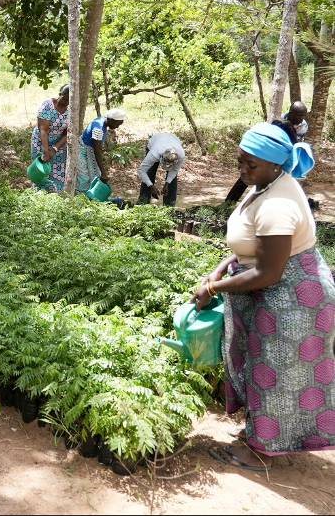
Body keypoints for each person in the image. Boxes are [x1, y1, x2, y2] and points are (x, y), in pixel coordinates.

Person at [191, 122, 334, 471]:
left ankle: (261, 451)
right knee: (260, 366)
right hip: (274, 295)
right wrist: (223, 266)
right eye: (240, 161)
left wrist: (211, 288)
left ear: (274, 164)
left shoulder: (277, 205)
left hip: (293, 301)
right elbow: (249, 245)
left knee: (275, 374)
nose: (242, 170)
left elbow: (269, 272)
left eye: (250, 165)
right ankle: (260, 432)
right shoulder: (264, 184)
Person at [224, 102, 309, 202]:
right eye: (299, 116)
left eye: (303, 116)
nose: (301, 118)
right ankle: (229, 202)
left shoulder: (303, 126)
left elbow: (293, 143)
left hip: (284, 154)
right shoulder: (279, 121)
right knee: (248, 173)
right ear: (290, 113)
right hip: (267, 151)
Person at [75, 108, 127, 194]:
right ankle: (80, 199)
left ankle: (90, 198)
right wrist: (104, 173)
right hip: (81, 149)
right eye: (117, 124)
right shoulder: (98, 128)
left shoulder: (103, 119)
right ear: (111, 120)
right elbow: (97, 151)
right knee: (83, 177)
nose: (117, 127)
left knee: (95, 175)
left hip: (89, 149)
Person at [29, 84, 70, 192]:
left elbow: (68, 133)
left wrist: (54, 149)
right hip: (41, 141)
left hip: (59, 142)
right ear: (60, 94)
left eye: (68, 101)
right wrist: (45, 151)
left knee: (58, 170)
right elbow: (43, 129)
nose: (66, 103)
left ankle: (56, 194)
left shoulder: (71, 109)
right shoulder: (47, 105)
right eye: (64, 99)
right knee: (41, 168)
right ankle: (40, 194)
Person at [137, 133, 185, 207]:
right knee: (149, 173)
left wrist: (166, 184)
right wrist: (151, 186)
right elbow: (142, 170)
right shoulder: (154, 154)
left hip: (173, 139)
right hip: (155, 142)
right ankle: (143, 203)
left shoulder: (180, 155)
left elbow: (174, 171)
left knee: (172, 179)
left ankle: (169, 207)